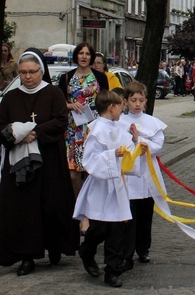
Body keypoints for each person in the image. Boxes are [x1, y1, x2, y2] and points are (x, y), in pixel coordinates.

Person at [0, 48, 79, 275]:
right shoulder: (11, 97)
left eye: (32, 72)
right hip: (21, 163)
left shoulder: (53, 94)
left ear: (41, 71)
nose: (27, 76)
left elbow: (60, 121)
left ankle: (55, 246)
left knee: (51, 205)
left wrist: (35, 132)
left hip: (49, 160)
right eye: (23, 72)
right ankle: (26, 256)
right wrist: (17, 133)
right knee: (24, 210)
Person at [73, 89, 146, 288]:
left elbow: (128, 153)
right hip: (101, 185)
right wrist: (112, 155)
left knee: (118, 228)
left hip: (118, 185)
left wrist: (134, 141)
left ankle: (112, 270)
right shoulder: (96, 130)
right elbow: (89, 159)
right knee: (100, 228)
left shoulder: (118, 127)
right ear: (111, 108)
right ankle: (87, 250)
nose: (123, 110)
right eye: (121, 106)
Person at [117, 81, 166, 268]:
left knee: (146, 214)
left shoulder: (152, 123)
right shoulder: (119, 122)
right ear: (126, 101)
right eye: (133, 100)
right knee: (129, 215)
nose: (137, 104)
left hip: (147, 173)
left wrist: (139, 139)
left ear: (146, 101)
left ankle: (143, 248)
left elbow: (157, 146)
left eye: (140, 100)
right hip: (129, 175)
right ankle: (126, 252)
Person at [58, 42, 110, 200]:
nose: (84, 57)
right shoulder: (66, 77)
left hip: (93, 128)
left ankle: (91, 208)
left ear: (91, 57)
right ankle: (78, 206)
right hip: (72, 131)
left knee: (91, 172)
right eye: (81, 53)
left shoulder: (100, 77)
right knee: (73, 175)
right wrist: (69, 105)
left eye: (87, 54)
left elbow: (107, 102)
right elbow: (58, 102)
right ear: (76, 56)